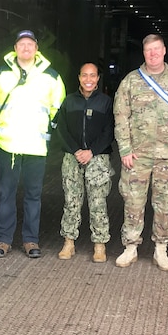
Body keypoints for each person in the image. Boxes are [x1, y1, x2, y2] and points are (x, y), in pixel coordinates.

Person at [113, 34, 168, 271]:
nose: (153, 54)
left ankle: (161, 248)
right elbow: (121, 117)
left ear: (164, 50)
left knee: (165, 204)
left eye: (157, 49)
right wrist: (125, 150)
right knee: (133, 202)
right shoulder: (130, 82)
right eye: (149, 50)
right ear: (143, 52)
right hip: (137, 155)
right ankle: (130, 247)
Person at [0, 29, 66, 258]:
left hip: (36, 146)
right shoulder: (0, 74)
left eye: (30, 44)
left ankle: (31, 240)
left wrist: (45, 128)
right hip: (8, 144)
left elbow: (57, 107)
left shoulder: (51, 76)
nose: (26, 48)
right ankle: (4, 240)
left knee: (33, 196)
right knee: (5, 194)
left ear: (37, 49)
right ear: (15, 48)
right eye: (22, 44)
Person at [56, 62, 114, 263]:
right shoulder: (69, 101)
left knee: (98, 203)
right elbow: (60, 129)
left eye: (93, 75)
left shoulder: (106, 103)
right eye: (84, 75)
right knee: (71, 202)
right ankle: (69, 242)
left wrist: (92, 151)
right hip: (72, 158)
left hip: (98, 159)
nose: (88, 79)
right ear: (79, 77)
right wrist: (75, 150)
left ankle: (99, 245)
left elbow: (110, 131)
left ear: (98, 78)